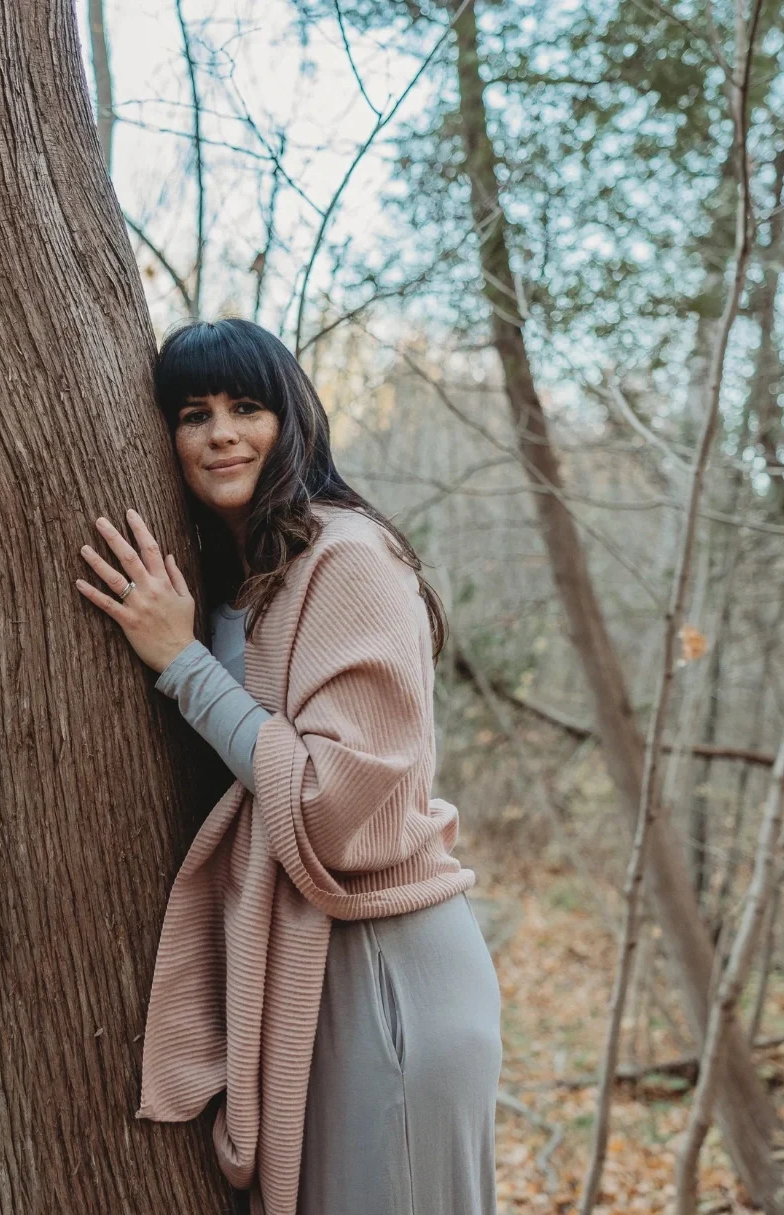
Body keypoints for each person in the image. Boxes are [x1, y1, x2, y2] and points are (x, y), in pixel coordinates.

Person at [74, 317, 501, 1215]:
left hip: (385, 969)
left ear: (291, 419)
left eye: (246, 407)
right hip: (308, 962)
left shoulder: (348, 557)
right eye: (194, 414)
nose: (221, 433)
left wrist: (182, 663)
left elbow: (332, 805)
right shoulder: (237, 576)